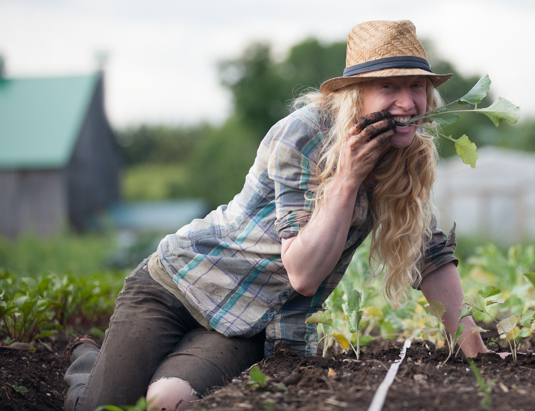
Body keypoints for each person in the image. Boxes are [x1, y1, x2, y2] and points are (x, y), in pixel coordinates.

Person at [64, 20, 489, 411]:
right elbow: (303, 271)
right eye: (389, 87)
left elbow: (428, 252)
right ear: (356, 94)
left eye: (416, 86)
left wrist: (474, 347)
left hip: (247, 323)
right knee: (100, 408)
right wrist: (346, 179)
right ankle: (88, 363)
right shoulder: (304, 135)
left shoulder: (407, 155)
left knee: (166, 401)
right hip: (178, 286)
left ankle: (144, 365)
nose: (407, 102)